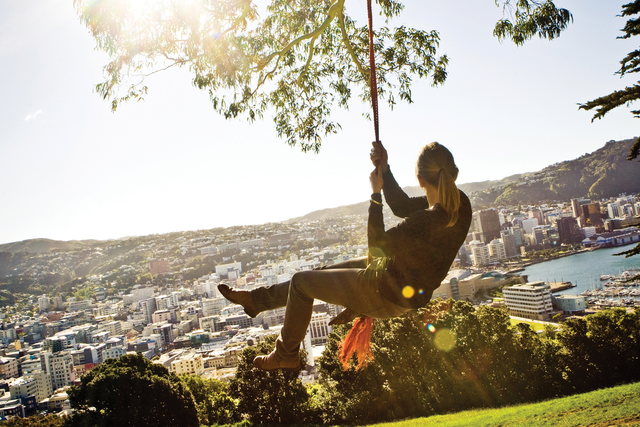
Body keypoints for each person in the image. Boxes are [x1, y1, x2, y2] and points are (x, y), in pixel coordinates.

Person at [218, 141, 472, 371]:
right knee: (318, 276)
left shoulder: (427, 220)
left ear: (420, 180)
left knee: (301, 283)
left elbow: (377, 247)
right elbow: (403, 206)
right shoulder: (461, 205)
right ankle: (255, 301)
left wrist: (375, 195)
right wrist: (384, 169)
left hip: (385, 291)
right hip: (394, 280)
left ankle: (286, 354)